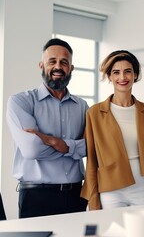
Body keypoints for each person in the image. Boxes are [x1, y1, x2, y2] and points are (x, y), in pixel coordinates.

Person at [6, 38, 88, 218]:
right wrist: (73, 148)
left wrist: (51, 140)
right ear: (41, 65)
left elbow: (90, 147)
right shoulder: (21, 102)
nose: (58, 66)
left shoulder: (82, 106)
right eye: (52, 61)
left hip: (76, 195)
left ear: (71, 68)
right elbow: (32, 150)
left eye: (64, 62)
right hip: (37, 197)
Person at [80, 50, 144, 210]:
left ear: (135, 75)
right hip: (110, 189)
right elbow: (91, 160)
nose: (122, 77)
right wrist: (93, 198)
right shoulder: (94, 113)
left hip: (142, 186)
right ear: (109, 77)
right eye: (116, 72)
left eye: (127, 71)